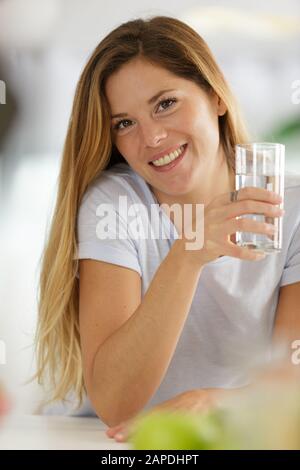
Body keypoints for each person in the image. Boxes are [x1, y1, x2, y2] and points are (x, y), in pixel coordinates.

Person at [35, 16, 300, 432]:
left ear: (216, 96)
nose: (152, 137)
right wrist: (188, 253)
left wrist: (214, 402)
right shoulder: (115, 204)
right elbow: (116, 405)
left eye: (165, 104)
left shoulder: (291, 208)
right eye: (124, 123)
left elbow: (290, 383)